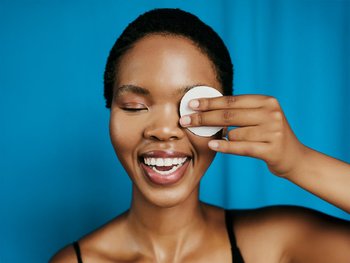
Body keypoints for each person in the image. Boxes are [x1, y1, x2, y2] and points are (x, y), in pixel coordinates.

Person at [50, 8, 350, 262]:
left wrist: (298, 162)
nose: (164, 130)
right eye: (135, 106)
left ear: (224, 117)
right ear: (111, 111)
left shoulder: (274, 244)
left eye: (192, 107)